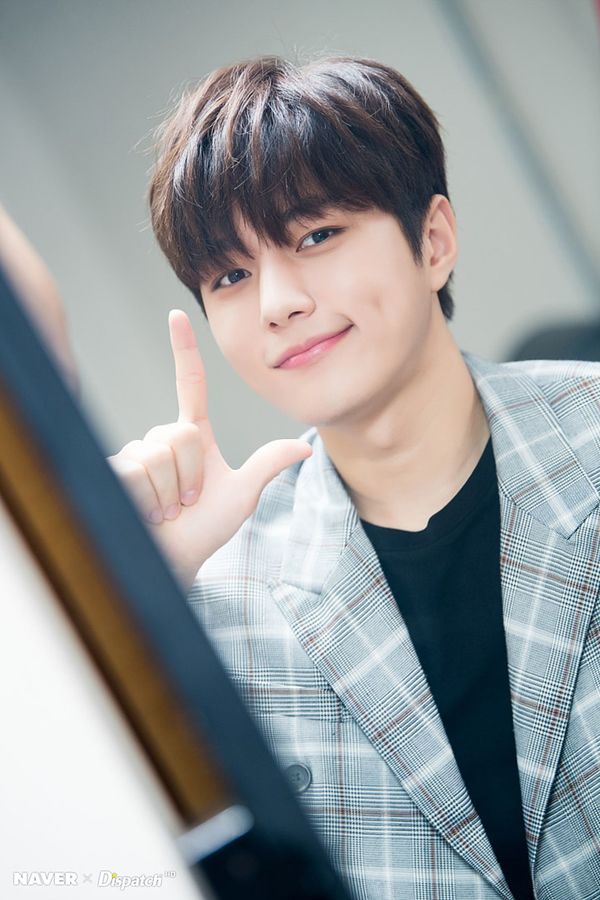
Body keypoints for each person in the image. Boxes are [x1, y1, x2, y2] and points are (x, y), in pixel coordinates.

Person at [108, 56, 600, 899]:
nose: (277, 303)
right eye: (231, 276)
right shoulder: (225, 594)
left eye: (315, 236)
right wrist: (144, 604)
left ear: (433, 241)